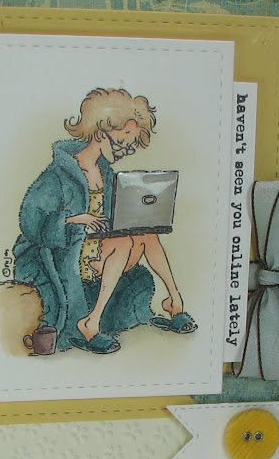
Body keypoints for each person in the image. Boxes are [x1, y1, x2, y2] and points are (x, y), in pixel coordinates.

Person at [13, 87, 197, 355]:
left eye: (131, 145)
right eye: (122, 142)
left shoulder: (106, 174)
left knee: (146, 233)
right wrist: (75, 219)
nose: (125, 151)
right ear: (100, 133)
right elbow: (30, 221)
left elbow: (111, 221)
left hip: (99, 250)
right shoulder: (58, 175)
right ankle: (90, 322)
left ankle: (174, 302)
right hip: (66, 252)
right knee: (123, 243)